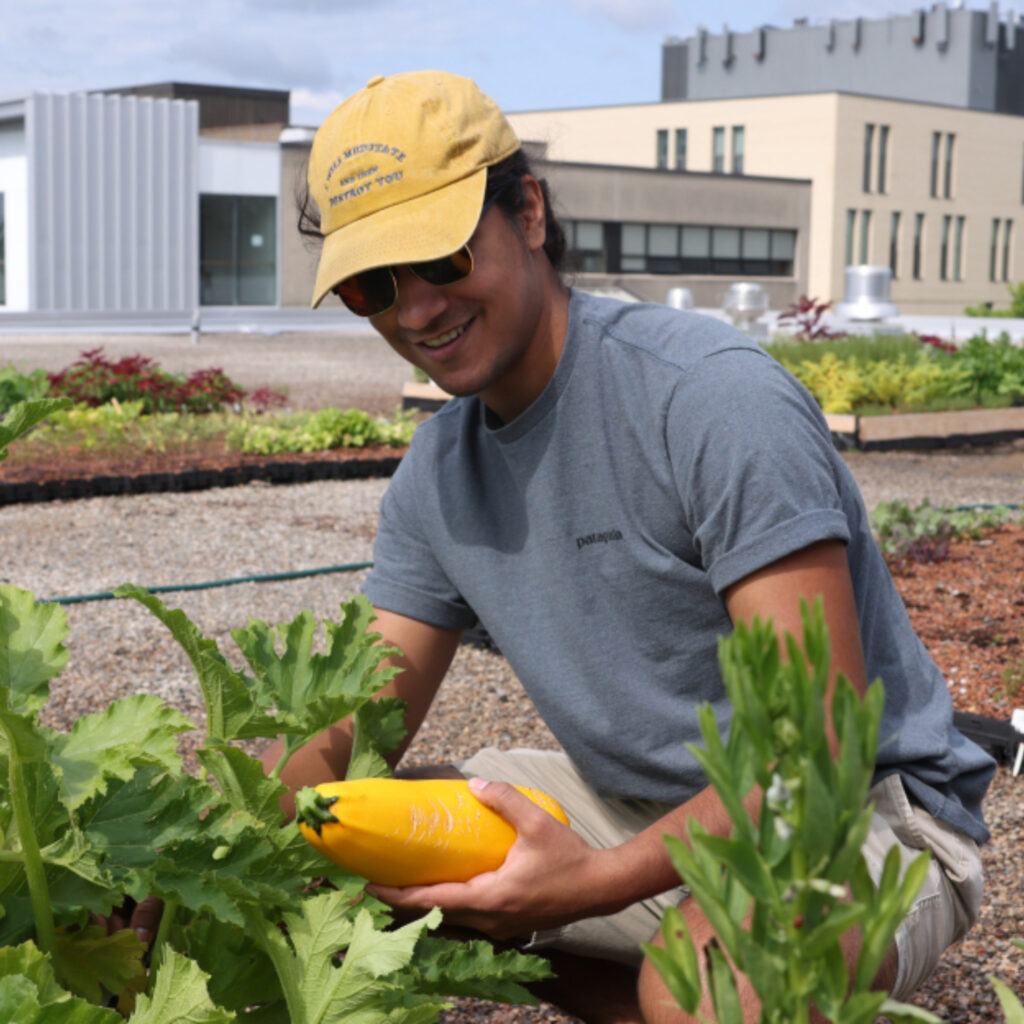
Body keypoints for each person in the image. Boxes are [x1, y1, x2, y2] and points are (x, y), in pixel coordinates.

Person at [263, 69, 995, 1024]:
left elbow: (809, 746)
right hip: (635, 801)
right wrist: (221, 845)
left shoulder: (707, 398)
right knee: (342, 847)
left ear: (527, 210)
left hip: (861, 812)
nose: (415, 311)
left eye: (440, 258)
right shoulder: (439, 472)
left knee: (705, 989)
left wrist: (596, 881)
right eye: (371, 285)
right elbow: (342, 731)